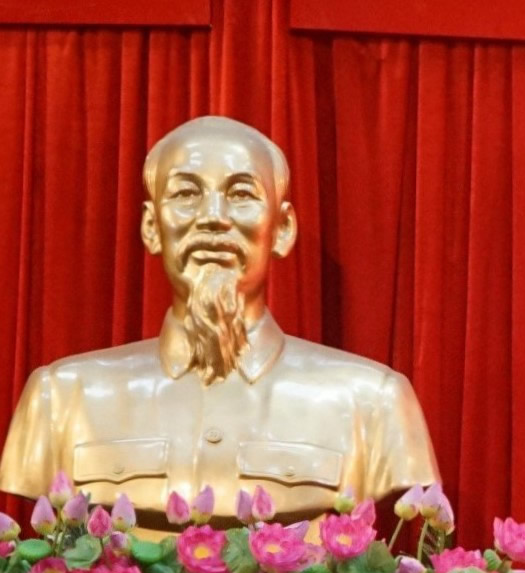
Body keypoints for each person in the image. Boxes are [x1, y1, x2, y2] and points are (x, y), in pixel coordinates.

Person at [0, 115, 439, 523]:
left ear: (283, 229)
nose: (213, 217)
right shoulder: (62, 397)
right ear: (152, 227)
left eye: (241, 194)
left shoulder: (371, 402)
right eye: (186, 193)